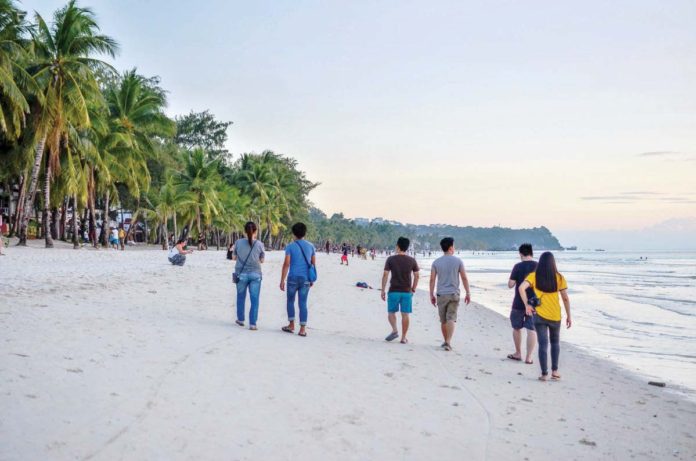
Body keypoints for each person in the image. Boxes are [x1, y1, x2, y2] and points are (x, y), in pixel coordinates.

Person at [519, 251, 572, 381]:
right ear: (553, 263)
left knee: (543, 344)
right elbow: (565, 298)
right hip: (555, 316)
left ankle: (544, 374)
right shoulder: (559, 278)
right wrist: (569, 316)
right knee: (555, 343)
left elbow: (521, 288)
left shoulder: (534, 276)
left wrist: (527, 305)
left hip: (540, 316)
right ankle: (555, 371)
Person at [429, 237, 471, 351]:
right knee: (451, 318)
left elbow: (432, 280)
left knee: (443, 320)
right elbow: (464, 278)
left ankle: (446, 341)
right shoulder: (458, 261)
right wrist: (468, 292)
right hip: (454, 294)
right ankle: (448, 341)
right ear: (451, 247)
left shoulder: (436, 262)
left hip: (441, 294)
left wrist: (431, 295)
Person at [280, 222, 316, 337]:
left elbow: (286, 264)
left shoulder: (290, 246)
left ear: (293, 233)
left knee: (290, 301)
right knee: (303, 303)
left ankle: (291, 325)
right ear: (305, 233)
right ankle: (302, 329)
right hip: (305, 278)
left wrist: (282, 280)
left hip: (292, 278)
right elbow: (313, 263)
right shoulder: (311, 246)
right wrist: (312, 279)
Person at [381, 237, 419, 344]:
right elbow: (417, 276)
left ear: (398, 246)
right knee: (405, 314)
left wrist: (383, 290)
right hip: (407, 292)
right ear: (407, 248)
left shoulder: (391, 259)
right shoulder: (412, 260)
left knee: (391, 312)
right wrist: (413, 289)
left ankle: (394, 330)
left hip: (394, 290)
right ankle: (403, 337)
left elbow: (385, 274)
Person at [507, 243, 538, 364]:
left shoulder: (517, 266)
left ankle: (518, 353)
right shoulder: (538, 266)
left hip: (518, 302)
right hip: (535, 302)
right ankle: (529, 357)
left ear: (520, 254)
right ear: (532, 253)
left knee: (516, 328)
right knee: (532, 329)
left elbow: (510, 285)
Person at [232, 222, 265, 330]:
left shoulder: (238, 242)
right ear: (256, 231)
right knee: (254, 299)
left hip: (241, 274)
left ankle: (241, 319)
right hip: (256, 274)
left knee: (241, 297)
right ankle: (253, 324)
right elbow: (262, 260)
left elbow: (234, 258)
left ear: (244, 231)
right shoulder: (260, 244)